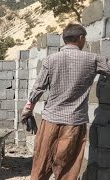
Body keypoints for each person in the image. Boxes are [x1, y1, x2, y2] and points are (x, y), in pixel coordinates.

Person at [21, 23, 110, 180]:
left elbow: (37, 90)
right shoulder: (92, 59)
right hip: (74, 123)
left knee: (40, 164)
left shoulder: (51, 60)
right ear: (81, 38)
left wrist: (27, 111)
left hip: (50, 121)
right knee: (68, 168)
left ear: (65, 39)